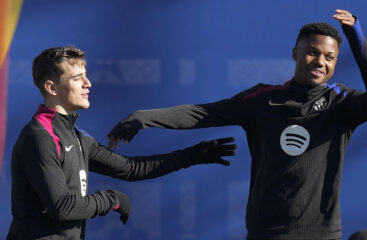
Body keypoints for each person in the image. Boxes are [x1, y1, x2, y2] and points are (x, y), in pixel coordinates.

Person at [108, 9, 367, 240]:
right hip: (267, 233)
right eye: (312, 52)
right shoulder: (263, 99)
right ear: (295, 53)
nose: (320, 62)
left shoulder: (340, 103)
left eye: (329, 58)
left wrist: (357, 37)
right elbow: (202, 113)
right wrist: (144, 117)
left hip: (322, 234)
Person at [7, 46, 237, 240]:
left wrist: (192, 155)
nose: (88, 83)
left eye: (86, 75)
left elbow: (130, 168)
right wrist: (111, 199)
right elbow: (63, 208)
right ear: (51, 87)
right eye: (78, 78)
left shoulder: (76, 135)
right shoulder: (39, 136)